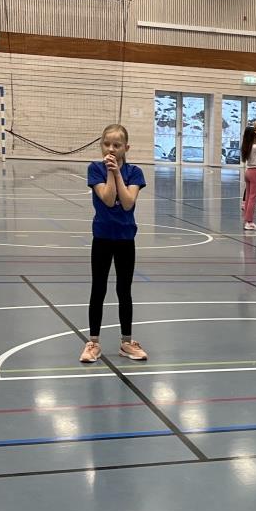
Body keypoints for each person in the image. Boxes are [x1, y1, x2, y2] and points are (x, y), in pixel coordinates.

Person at [80, 123, 147, 363]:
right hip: (102, 238)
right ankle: (93, 343)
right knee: (98, 288)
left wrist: (118, 173)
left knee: (124, 290)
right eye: (106, 144)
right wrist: (110, 172)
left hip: (125, 239)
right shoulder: (95, 169)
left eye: (117, 145)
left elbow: (127, 203)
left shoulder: (135, 173)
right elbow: (108, 200)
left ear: (126, 148)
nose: (111, 149)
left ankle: (126, 342)